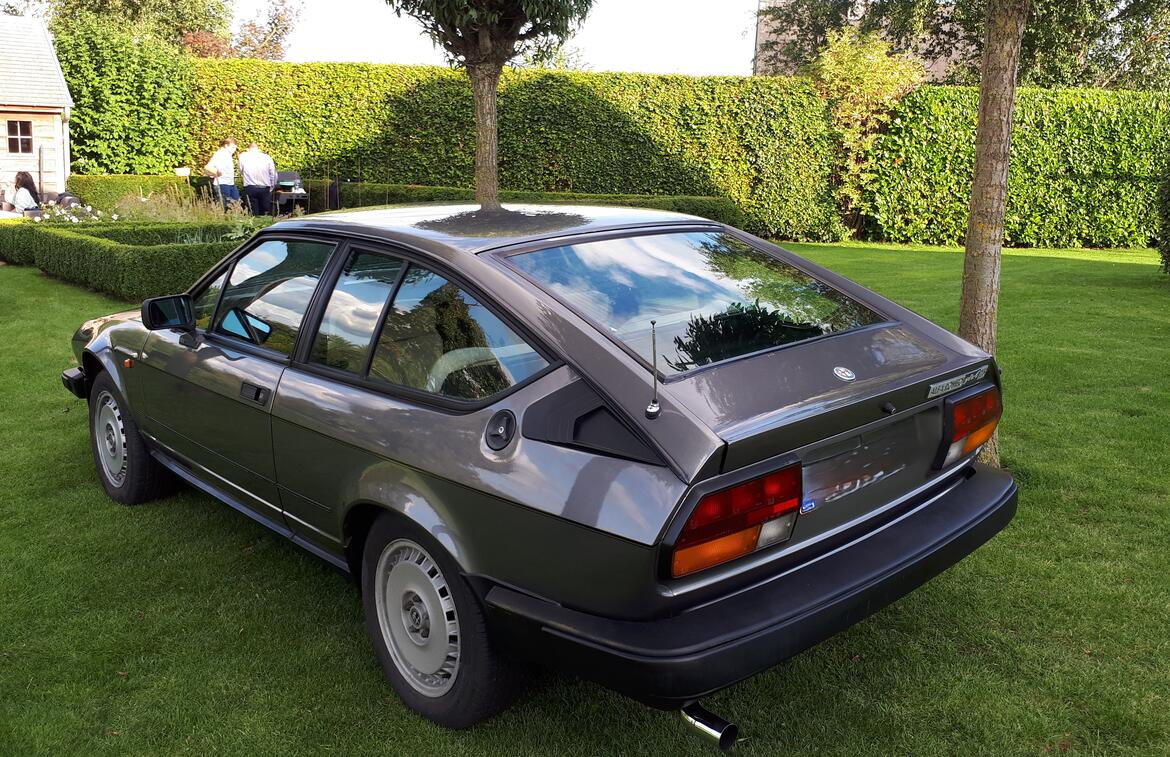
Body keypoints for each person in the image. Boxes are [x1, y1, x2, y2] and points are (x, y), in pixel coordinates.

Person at [237, 142, 277, 216]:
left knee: (252, 210)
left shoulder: (243, 156)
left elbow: (241, 170)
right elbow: (273, 174)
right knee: (265, 211)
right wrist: (272, 186)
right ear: (258, 149)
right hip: (265, 187)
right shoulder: (267, 157)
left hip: (250, 187)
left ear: (248, 149)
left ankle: (254, 221)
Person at [203, 138, 240, 208]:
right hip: (222, 183)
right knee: (224, 206)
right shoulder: (219, 154)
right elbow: (207, 167)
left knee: (237, 203)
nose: (234, 149)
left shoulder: (228, 155)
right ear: (226, 145)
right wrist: (215, 173)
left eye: (235, 147)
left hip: (230, 183)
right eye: (232, 147)